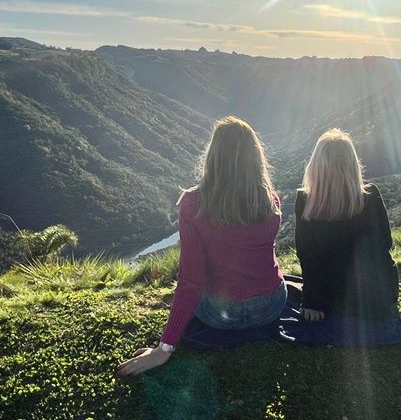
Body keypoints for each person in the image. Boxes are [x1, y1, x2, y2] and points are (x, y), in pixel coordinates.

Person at [116, 116, 286, 376]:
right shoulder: (269, 200)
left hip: (220, 314)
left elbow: (190, 280)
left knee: (198, 295)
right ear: (256, 156)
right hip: (271, 306)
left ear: (213, 155)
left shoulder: (193, 203)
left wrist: (164, 348)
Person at [295, 128, 399, 322]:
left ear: (315, 164)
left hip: (331, 300)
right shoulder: (370, 195)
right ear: (352, 164)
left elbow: (307, 256)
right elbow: (385, 243)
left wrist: (312, 302)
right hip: (377, 298)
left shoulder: (305, 200)